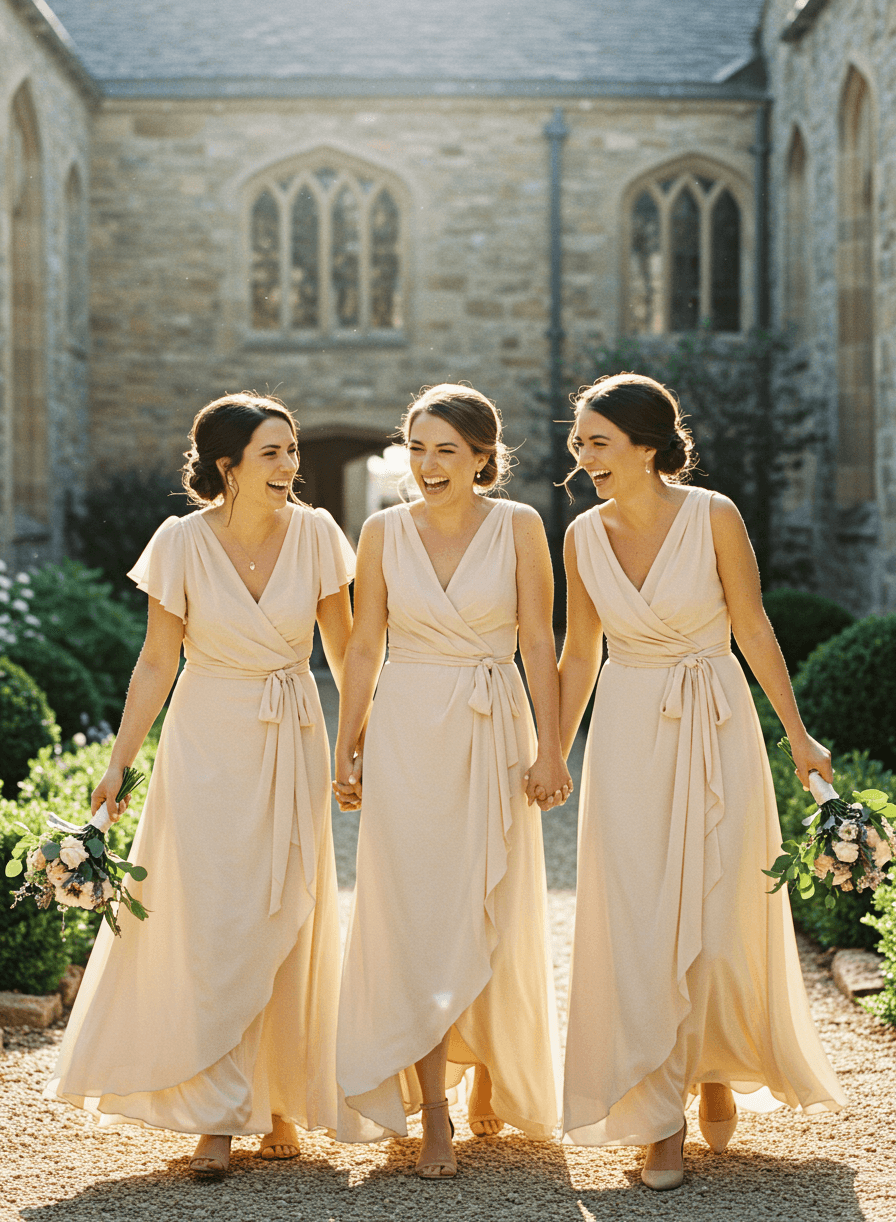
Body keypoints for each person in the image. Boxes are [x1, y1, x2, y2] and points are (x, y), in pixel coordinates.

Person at [46, 392, 355, 1176]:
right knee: (215, 914)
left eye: (292, 452)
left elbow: (347, 650)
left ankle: (280, 1097)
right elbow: (158, 659)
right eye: (272, 454)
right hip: (207, 738)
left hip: (294, 733)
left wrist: (359, 743)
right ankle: (217, 1115)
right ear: (229, 467)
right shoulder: (180, 542)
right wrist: (119, 761)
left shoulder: (319, 535)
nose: (290, 466)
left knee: (288, 902)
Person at [558, 374, 845, 1190]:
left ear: (647, 448)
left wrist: (798, 735)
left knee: (721, 907)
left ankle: (713, 1065)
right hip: (628, 728)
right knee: (641, 913)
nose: (583, 456)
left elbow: (752, 624)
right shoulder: (580, 536)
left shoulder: (713, 517)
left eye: (598, 441)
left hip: (718, 721)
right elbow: (579, 653)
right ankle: (658, 1119)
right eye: (578, 442)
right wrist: (552, 749)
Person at [332, 384, 568, 1179]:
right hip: (407, 730)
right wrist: (347, 742)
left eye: (447, 451)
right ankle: (431, 1106)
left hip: (496, 723)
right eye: (419, 448)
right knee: (417, 912)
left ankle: (493, 1067)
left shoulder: (522, 526)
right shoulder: (381, 531)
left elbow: (539, 639)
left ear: (481, 459)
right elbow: (364, 645)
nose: (429, 465)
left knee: (492, 900)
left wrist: (554, 748)